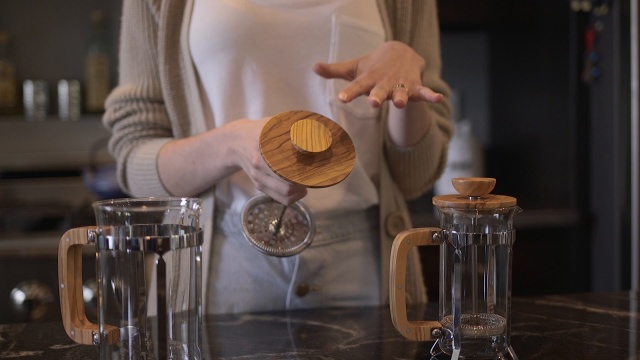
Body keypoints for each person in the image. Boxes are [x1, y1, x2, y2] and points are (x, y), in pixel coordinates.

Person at [103, 0, 453, 314]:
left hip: (364, 270)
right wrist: (231, 146)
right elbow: (135, 159)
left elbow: (414, 177)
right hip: (222, 271)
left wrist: (408, 82)